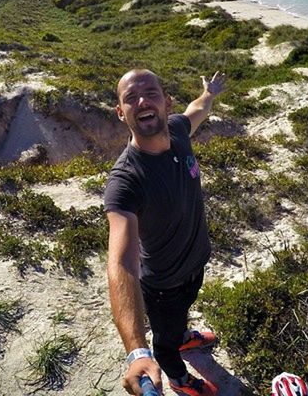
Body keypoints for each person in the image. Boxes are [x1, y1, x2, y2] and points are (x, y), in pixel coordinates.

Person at [104, 69, 227, 396]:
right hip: (164, 286)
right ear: (121, 113)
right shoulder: (125, 181)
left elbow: (196, 111)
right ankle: (179, 378)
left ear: (166, 101)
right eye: (131, 98)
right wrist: (136, 351)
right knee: (165, 341)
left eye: (151, 93)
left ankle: (182, 336)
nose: (142, 100)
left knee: (179, 320)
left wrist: (210, 93)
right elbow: (122, 263)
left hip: (195, 267)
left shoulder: (177, 128)